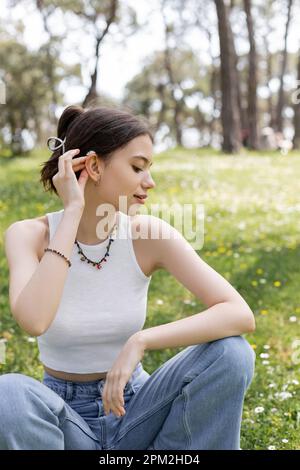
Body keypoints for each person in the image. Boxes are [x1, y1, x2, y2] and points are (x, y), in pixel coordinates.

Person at [0, 105, 256, 450]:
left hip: (137, 410)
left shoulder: (147, 234)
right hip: (66, 423)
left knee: (231, 352)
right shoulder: (27, 235)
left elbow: (238, 313)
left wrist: (141, 341)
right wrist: (72, 213)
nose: (149, 182)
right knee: (9, 395)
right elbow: (33, 320)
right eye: (137, 167)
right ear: (93, 166)